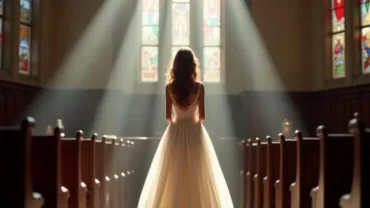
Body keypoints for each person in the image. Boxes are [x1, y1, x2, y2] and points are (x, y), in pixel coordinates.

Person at [137, 47, 234, 208]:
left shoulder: (169, 88)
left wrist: (179, 117)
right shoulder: (199, 87)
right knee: (197, 172)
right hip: (195, 132)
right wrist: (191, 116)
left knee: (172, 173)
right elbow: (202, 116)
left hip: (175, 132)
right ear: (192, 66)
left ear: (175, 66)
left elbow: (168, 117)